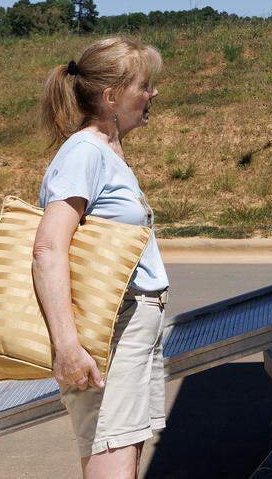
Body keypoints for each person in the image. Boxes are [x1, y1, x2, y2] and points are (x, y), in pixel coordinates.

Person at [31, 36, 169, 479]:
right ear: (112, 96)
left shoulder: (108, 151)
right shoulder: (85, 152)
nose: (152, 95)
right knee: (112, 460)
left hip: (131, 326)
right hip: (110, 330)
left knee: (125, 457)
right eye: (144, 86)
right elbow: (49, 246)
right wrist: (67, 347)